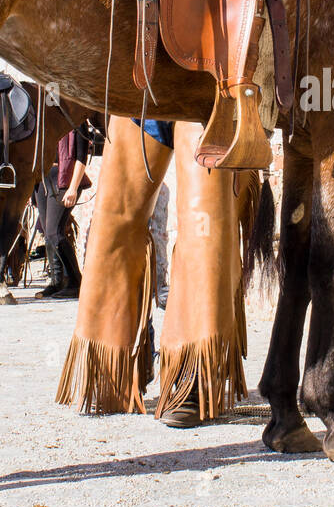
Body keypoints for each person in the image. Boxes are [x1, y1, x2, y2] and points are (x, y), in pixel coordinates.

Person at [56, 117, 257, 427]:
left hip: (209, 94)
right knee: (113, 221)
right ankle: (113, 369)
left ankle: (193, 377)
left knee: (205, 226)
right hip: (141, 92)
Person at [33, 125, 93, 299]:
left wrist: (73, 188)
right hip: (44, 178)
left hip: (65, 179)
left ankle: (75, 282)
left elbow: (81, 157)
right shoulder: (48, 119)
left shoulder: (77, 123)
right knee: (47, 232)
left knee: (54, 231)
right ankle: (56, 281)